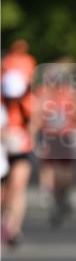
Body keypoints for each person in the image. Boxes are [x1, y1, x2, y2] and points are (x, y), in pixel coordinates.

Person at [33, 59, 76, 226]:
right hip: (48, 136)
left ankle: (63, 196)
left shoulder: (69, 94)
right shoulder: (42, 94)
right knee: (48, 167)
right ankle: (48, 193)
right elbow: (35, 116)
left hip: (65, 136)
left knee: (65, 173)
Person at [1, 67, 33, 246]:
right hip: (3, 153)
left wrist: (23, 138)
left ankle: (13, 228)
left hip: (21, 151)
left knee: (18, 187)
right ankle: (5, 222)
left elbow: (34, 126)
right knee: (5, 192)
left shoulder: (28, 103)